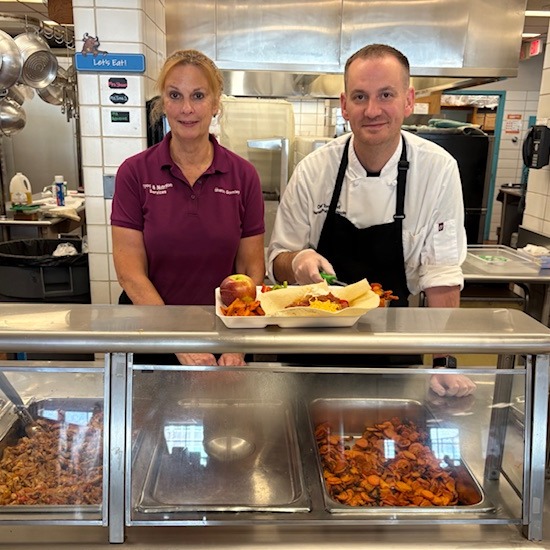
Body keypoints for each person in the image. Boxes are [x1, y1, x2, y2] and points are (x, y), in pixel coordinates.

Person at [267, 43, 475, 398]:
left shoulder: (438, 169)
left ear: (408, 101)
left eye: (386, 95)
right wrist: (298, 261)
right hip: (311, 344)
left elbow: (441, 277)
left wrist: (442, 363)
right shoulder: (313, 170)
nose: (372, 110)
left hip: (394, 344)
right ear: (344, 105)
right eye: (360, 97)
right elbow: (276, 264)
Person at [111, 49, 265, 367]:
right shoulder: (134, 172)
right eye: (175, 95)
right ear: (163, 102)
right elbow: (130, 275)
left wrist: (237, 345)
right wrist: (178, 340)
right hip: (152, 332)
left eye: (198, 95)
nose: (187, 109)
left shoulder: (243, 175)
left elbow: (252, 269)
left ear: (215, 102)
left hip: (222, 332)